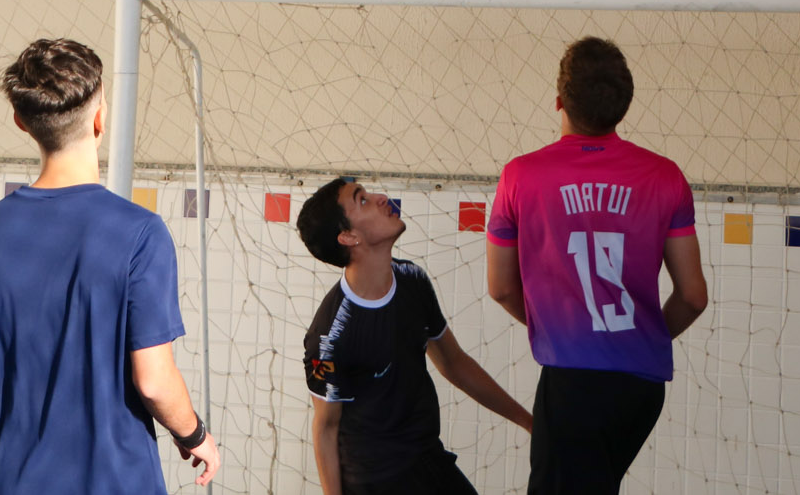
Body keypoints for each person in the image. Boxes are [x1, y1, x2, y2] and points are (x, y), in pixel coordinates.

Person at [0, 38, 221, 493]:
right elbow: (153, 381)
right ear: (99, 119)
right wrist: (194, 434)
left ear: (21, 122)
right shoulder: (141, 233)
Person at [486, 36, 708, 495]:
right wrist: (640, 337)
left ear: (559, 100)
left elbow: (501, 288)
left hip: (573, 384)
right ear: (622, 107)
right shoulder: (665, 176)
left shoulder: (520, 176)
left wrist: (556, 327)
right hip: (641, 388)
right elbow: (692, 297)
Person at [297, 175, 533, 495]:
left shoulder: (411, 278)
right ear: (349, 236)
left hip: (428, 459)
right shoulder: (330, 334)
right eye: (362, 199)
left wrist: (529, 422)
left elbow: (453, 363)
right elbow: (326, 428)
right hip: (375, 480)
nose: (380, 197)